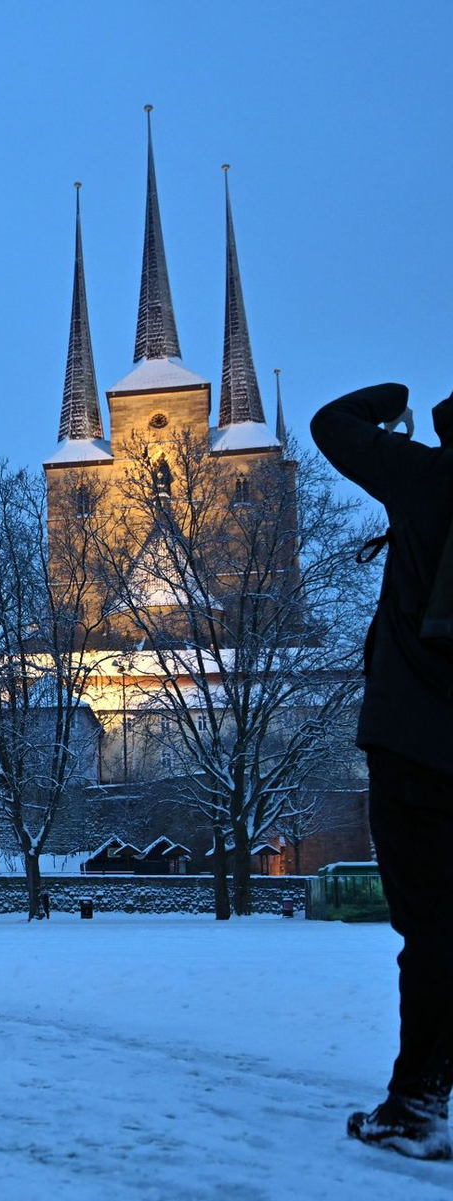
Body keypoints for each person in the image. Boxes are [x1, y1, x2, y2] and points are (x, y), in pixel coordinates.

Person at [312, 383, 453, 1161]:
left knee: (432, 929)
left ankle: (416, 1104)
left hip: (415, 746)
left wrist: (390, 399)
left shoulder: (425, 476)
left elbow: (332, 424)